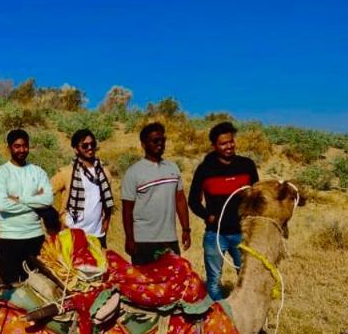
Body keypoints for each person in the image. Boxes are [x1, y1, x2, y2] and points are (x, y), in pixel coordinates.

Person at [188, 121, 259, 300]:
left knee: (246, 278)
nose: (229, 146)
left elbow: (257, 197)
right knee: (213, 281)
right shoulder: (205, 170)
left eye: (231, 141)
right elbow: (193, 201)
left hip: (242, 233)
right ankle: (217, 317)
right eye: (223, 143)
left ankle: (245, 315)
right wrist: (208, 216)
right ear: (214, 146)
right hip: (215, 235)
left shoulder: (247, 165)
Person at [120, 121, 191, 265]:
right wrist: (130, 239)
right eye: (155, 141)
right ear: (144, 144)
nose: (160, 144)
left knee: (172, 283)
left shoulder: (173, 168)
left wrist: (186, 229)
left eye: (162, 140)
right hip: (143, 241)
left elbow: (180, 200)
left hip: (169, 239)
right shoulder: (133, 172)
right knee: (145, 284)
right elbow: (127, 210)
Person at [0, 129, 54, 286]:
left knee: (41, 286)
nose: (21, 150)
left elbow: (48, 199)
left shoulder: (38, 172)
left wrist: (19, 199)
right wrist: (35, 200)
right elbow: (3, 205)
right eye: (17, 146)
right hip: (10, 238)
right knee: (11, 290)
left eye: (25, 146)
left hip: (35, 237)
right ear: (9, 148)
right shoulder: (1, 173)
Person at [52, 128, 115, 247]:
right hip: (72, 234)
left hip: (97, 235)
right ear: (76, 149)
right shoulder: (66, 173)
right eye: (85, 145)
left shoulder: (104, 173)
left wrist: (106, 223)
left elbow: (106, 202)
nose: (90, 148)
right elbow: (45, 193)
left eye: (92, 144)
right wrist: (56, 220)